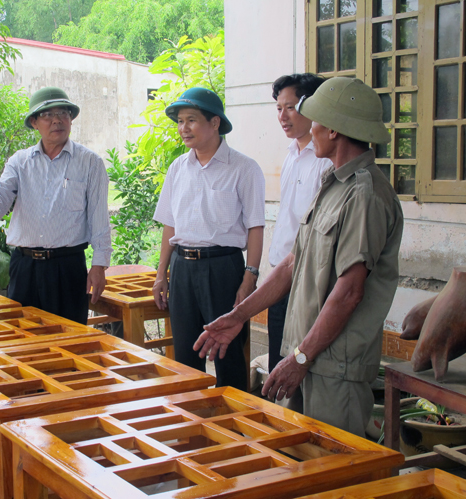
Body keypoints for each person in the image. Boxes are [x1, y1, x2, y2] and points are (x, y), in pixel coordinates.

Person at [194, 78, 403, 437]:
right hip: (307, 358)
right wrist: (238, 316)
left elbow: (350, 292)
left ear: (334, 129)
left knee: (336, 476)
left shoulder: (365, 195)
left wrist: (299, 359)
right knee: (298, 463)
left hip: (335, 370)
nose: (310, 127)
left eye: (315, 119)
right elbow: (293, 262)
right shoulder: (334, 184)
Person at [152, 87, 265, 391]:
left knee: (227, 354)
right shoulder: (178, 169)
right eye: (179, 121)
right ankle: (193, 427)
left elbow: (256, 227)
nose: (183, 128)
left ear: (215, 123)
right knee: (186, 357)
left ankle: (235, 427)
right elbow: (169, 225)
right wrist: (161, 274)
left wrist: (248, 279)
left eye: (191, 120)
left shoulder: (244, 169)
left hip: (223, 269)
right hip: (183, 269)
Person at [0, 86, 112, 324]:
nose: (57, 120)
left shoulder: (90, 162)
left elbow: (99, 217)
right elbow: (0, 192)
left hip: (67, 268)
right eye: (48, 115)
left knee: (69, 341)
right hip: (24, 267)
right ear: (34, 122)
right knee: (22, 340)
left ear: (71, 120)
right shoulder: (20, 161)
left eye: (64, 113)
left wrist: (99, 265)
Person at [267, 74, 332, 373]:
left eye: (290, 107)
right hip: (281, 274)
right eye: (279, 108)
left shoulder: (326, 160)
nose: (283, 116)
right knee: (276, 360)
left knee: (301, 366)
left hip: (308, 279)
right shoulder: (292, 154)